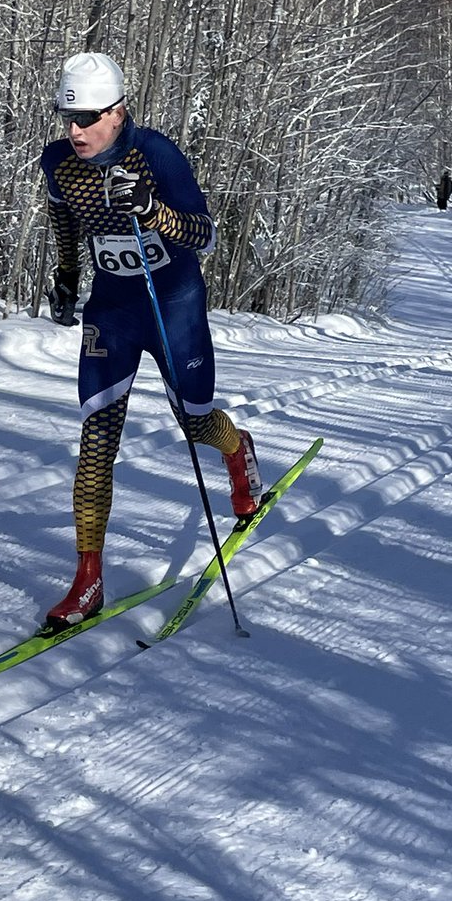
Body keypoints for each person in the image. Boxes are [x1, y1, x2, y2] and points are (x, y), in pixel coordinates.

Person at [40, 51, 262, 629]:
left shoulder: (156, 154)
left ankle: (237, 450)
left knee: (195, 422)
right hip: (114, 308)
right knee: (96, 438)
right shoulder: (59, 163)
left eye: (87, 118)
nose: (75, 131)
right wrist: (67, 274)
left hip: (173, 303)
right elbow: (63, 219)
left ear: (117, 112)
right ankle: (88, 579)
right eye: (67, 117)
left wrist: (152, 209)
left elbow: (204, 235)